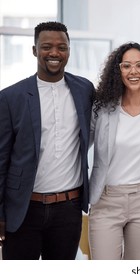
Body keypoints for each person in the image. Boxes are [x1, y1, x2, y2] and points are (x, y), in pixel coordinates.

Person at [0, 21, 94, 260]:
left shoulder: (85, 90)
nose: (54, 53)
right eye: (46, 47)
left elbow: (121, 98)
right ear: (34, 50)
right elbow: (1, 162)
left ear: (69, 50)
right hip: (23, 209)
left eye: (61, 47)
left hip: (68, 209)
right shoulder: (11, 97)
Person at [88, 42, 140, 260]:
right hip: (106, 199)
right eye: (126, 66)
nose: (133, 71)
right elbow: (77, 146)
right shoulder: (102, 111)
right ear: (118, 71)